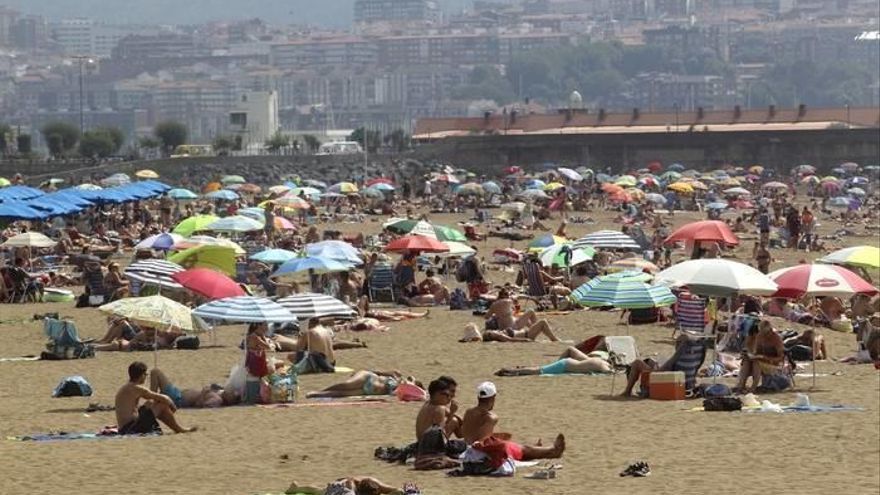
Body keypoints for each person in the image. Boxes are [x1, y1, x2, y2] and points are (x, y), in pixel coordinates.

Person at [460, 382, 565, 461]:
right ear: (493, 397)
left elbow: (471, 434)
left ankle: (541, 450)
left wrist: (496, 437)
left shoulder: (468, 412)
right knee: (519, 448)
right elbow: (483, 443)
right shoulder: (491, 417)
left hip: (466, 450)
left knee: (513, 445)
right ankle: (552, 450)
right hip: (480, 453)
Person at [114, 361, 196, 435]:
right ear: (141, 375)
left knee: (150, 403)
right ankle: (179, 429)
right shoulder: (137, 388)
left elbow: (149, 400)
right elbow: (164, 398)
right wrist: (172, 406)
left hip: (125, 426)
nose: (146, 377)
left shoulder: (127, 387)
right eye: (145, 374)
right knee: (162, 405)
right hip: (130, 428)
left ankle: (177, 428)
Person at [484, 289, 561, 341]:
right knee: (531, 311)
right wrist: (532, 299)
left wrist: (497, 316)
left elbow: (486, 317)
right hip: (513, 327)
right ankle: (536, 329)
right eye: (508, 294)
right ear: (505, 295)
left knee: (527, 315)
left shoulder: (494, 305)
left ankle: (534, 329)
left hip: (505, 328)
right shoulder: (508, 301)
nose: (509, 295)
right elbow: (520, 296)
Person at [735, 320, 785, 393]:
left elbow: (781, 358)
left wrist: (765, 358)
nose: (764, 335)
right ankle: (741, 385)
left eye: (766, 333)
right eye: (762, 333)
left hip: (773, 364)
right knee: (747, 361)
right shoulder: (759, 337)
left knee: (756, 363)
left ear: (770, 330)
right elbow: (756, 352)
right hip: (761, 361)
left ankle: (753, 387)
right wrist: (749, 354)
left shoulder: (776, 339)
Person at [149, 368, 239, 408]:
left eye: (232, 394)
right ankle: (153, 399)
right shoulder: (219, 392)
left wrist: (203, 393)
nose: (230, 391)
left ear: (230, 400)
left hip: (177, 398)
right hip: (177, 393)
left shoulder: (217, 399)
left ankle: (152, 400)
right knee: (155, 373)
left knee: (155, 372)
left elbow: (200, 405)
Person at [494, 346, 612, 376]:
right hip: (565, 365)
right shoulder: (603, 365)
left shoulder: (601, 360)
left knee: (540, 369)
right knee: (539, 371)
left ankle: (516, 370)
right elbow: (608, 373)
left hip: (567, 363)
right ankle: (510, 371)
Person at [415, 376, 462, 441]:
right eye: (450, 392)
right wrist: (452, 413)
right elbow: (440, 435)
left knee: (456, 421)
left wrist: (453, 413)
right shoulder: (439, 409)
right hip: (429, 445)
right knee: (454, 421)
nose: (452, 395)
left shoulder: (429, 403)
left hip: (422, 443)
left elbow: (455, 416)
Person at [305, 370, 406, 398]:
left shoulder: (400, 389)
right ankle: (320, 390)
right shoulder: (396, 375)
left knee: (343, 394)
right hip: (368, 377)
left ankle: (317, 394)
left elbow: (395, 395)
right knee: (346, 385)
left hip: (369, 391)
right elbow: (378, 371)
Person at [458, 322, 561, 343]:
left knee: (541, 322)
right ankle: (555, 340)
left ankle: (554, 338)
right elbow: (508, 339)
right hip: (526, 335)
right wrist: (525, 340)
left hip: (526, 333)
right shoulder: (491, 334)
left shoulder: (487, 333)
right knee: (542, 322)